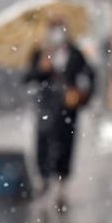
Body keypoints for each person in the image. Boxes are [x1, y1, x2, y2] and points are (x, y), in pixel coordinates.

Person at [24, 19, 95, 211]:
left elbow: (88, 76)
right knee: (44, 142)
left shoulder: (76, 53)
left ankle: (62, 183)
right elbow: (28, 78)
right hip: (46, 106)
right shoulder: (40, 52)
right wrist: (41, 70)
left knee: (66, 144)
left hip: (68, 109)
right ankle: (44, 178)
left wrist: (80, 93)